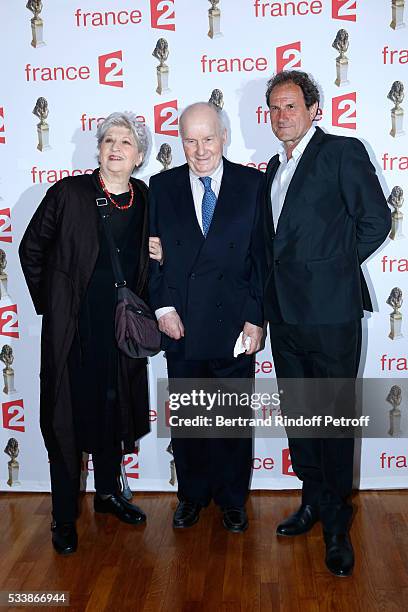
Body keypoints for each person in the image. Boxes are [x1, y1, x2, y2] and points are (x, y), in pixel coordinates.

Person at [263, 70, 391, 576]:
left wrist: (333, 273)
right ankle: (313, 501)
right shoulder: (274, 168)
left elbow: (376, 220)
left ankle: (338, 524)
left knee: (334, 421)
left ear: (314, 109)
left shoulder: (342, 152)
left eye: (290, 106)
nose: (281, 116)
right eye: (273, 108)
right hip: (285, 316)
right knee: (301, 416)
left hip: (331, 313)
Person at [19, 112, 162, 555]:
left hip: (120, 333)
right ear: (98, 150)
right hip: (74, 334)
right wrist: (55, 302)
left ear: (139, 156)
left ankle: (107, 495)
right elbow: (31, 249)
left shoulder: (144, 197)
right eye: (108, 141)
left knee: (113, 413)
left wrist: (157, 254)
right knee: (67, 422)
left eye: (125, 142)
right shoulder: (68, 193)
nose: (115, 147)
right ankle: (64, 516)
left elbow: (152, 256)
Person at [149, 102, 265, 533]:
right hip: (181, 324)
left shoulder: (253, 184)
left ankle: (233, 501)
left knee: (233, 419)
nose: (199, 150)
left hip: (234, 323)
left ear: (224, 137)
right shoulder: (160, 187)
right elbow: (151, 259)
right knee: (189, 420)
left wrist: (255, 317)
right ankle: (192, 496)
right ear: (180, 141)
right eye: (190, 140)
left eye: (208, 138)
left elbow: (260, 258)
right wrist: (162, 308)